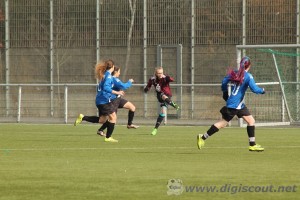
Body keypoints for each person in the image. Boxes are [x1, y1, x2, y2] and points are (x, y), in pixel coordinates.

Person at [197, 56, 265, 152]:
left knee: (251, 121)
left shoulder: (235, 73)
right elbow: (254, 89)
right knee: (223, 123)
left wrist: (225, 92)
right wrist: (262, 91)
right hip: (234, 105)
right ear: (249, 65)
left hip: (238, 104)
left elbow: (224, 81)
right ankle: (202, 137)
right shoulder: (248, 76)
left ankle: (252, 145)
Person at [74, 59, 124, 142]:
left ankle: (83, 117)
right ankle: (108, 137)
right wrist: (117, 92)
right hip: (103, 101)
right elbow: (106, 88)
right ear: (113, 67)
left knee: (102, 120)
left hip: (100, 100)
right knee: (113, 118)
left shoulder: (105, 75)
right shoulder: (108, 76)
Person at [97, 66, 139, 136]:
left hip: (118, 99)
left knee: (132, 107)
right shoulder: (114, 79)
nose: (120, 73)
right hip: (114, 100)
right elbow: (124, 86)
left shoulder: (113, 78)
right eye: (119, 72)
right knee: (112, 119)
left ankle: (129, 124)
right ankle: (101, 130)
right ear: (115, 72)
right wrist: (130, 81)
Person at [144, 66, 180, 136]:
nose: (160, 74)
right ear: (155, 73)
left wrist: (168, 78)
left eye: (161, 73)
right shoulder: (152, 79)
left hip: (168, 96)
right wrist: (146, 89)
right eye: (158, 73)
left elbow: (171, 79)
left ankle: (155, 129)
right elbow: (148, 85)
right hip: (160, 96)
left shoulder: (164, 78)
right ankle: (173, 104)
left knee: (163, 112)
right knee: (162, 95)